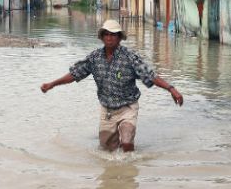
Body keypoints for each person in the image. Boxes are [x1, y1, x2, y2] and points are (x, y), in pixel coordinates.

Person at [40, 19, 183, 152]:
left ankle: (128, 171)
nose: (109, 38)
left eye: (113, 35)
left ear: (119, 38)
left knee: (127, 142)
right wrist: (52, 84)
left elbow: (150, 75)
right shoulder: (94, 57)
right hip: (107, 109)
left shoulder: (129, 57)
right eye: (106, 35)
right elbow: (75, 74)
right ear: (102, 37)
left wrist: (171, 89)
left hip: (128, 107)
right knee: (107, 149)